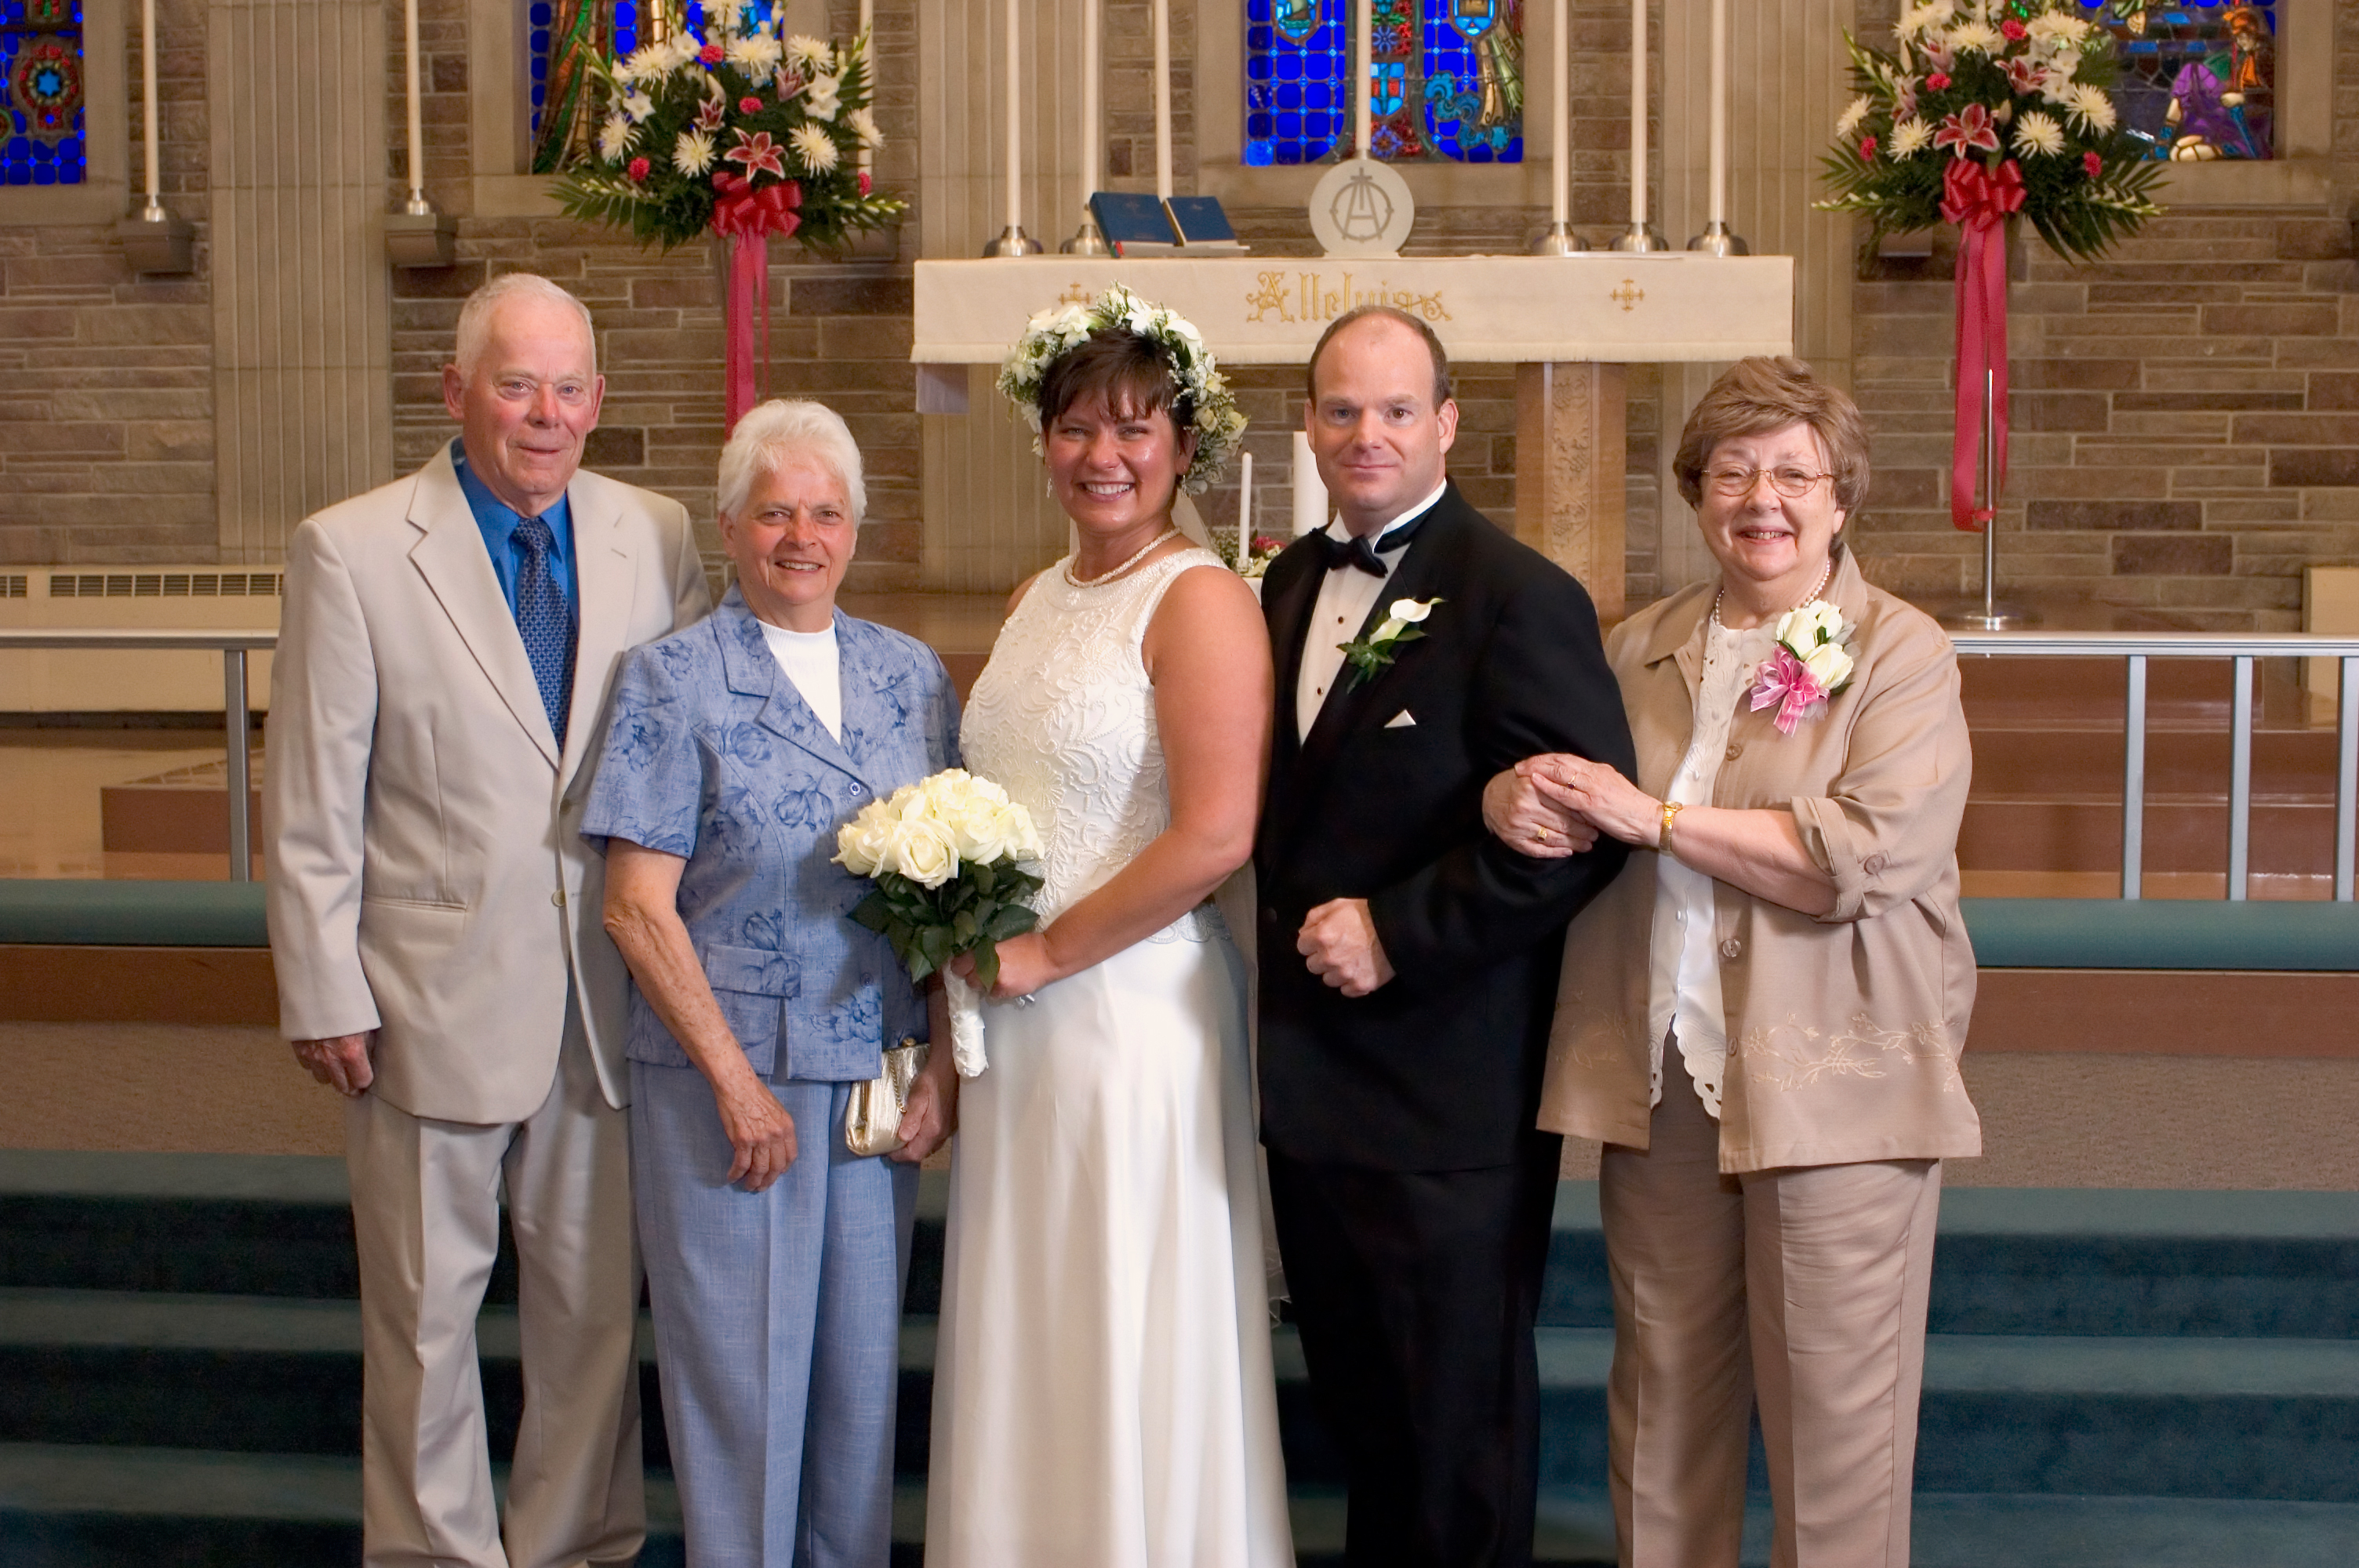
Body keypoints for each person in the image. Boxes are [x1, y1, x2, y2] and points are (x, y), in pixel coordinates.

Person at [1492, 355, 1983, 1568]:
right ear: (1697, 492)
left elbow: (1858, 854)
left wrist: (1651, 818)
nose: (1762, 497)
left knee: (1836, 1432)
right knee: (1660, 1411)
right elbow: (1561, 779)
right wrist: (1517, 794)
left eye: (1792, 473)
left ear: (1841, 495)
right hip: (1661, 1076)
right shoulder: (1638, 645)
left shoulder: (1899, 652)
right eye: (1732, 470)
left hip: (1837, 1086)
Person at [265, 271, 710, 1568]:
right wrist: (322, 986)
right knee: (421, 1325)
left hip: (603, 996)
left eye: (570, 388)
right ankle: (432, 1554)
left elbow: (671, 770)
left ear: (599, 401)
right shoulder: (351, 549)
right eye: (516, 385)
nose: (545, 415)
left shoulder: (657, 534)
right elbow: (310, 795)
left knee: (590, 1325)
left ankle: (575, 1546)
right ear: (455, 390)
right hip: (424, 993)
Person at [1254, 303, 1635, 1568]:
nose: (1369, 435)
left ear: (1448, 424)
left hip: (1446, 1092)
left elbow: (1588, 833)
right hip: (1311, 1084)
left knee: (1454, 1433)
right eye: (1343, 409)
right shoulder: (1290, 578)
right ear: (1308, 424)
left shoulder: (1519, 595)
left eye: (1398, 410)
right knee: (1367, 1415)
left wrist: (1401, 934)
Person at [924, 285, 1292, 1566]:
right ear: (1043, 442)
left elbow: (1215, 835)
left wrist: (1041, 954)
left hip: (1127, 1016)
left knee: (1123, 1319)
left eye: (1136, 429)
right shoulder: (1037, 593)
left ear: (1187, 445)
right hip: (1016, 1027)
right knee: (1036, 1319)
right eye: (1077, 427)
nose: (1105, 456)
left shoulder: (1197, 600)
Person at [581, 398, 961, 1568]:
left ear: (859, 526)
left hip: (876, 1090)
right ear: (731, 526)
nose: (803, 536)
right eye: (776, 512)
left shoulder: (911, 676)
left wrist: (946, 1065)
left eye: (827, 512)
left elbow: (954, 884)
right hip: (728, 1088)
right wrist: (735, 1085)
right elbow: (636, 905)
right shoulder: (672, 680)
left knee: (855, 1396)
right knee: (744, 1397)